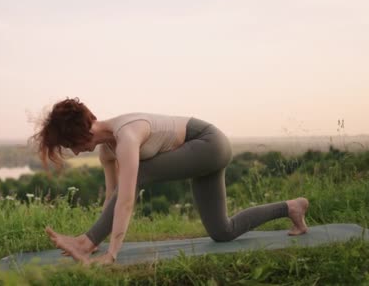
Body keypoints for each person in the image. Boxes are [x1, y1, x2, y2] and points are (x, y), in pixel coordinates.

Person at [30, 97, 309, 265]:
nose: (74, 152)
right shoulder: (107, 150)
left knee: (139, 174)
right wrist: (98, 239)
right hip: (199, 156)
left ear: (79, 136)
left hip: (209, 142)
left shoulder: (126, 136)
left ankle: (83, 243)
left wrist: (110, 252)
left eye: (70, 144)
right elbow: (113, 197)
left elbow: (127, 199)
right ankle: (291, 207)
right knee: (222, 231)